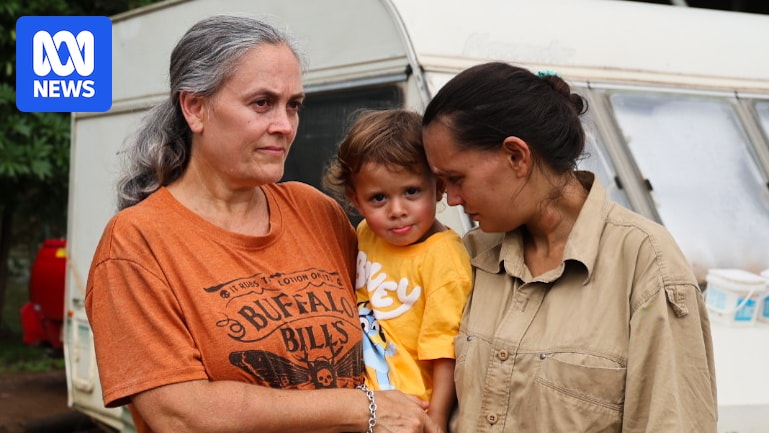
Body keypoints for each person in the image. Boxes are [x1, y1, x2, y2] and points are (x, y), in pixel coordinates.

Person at [84, 15, 439, 433]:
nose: (285, 126)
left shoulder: (316, 211)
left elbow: (400, 310)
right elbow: (181, 415)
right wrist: (364, 409)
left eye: (293, 105)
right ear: (195, 109)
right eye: (262, 103)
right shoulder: (136, 243)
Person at [420, 62, 718, 433]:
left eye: (456, 178)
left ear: (516, 156)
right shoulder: (470, 257)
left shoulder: (645, 263)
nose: (451, 198)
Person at [323, 109, 473, 432]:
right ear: (355, 200)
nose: (397, 211)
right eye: (378, 198)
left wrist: (437, 418)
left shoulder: (444, 256)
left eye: (411, 192)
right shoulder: (365, 233)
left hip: (412, 407)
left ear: (439, 186)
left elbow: (445, 350)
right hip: (362, 403)